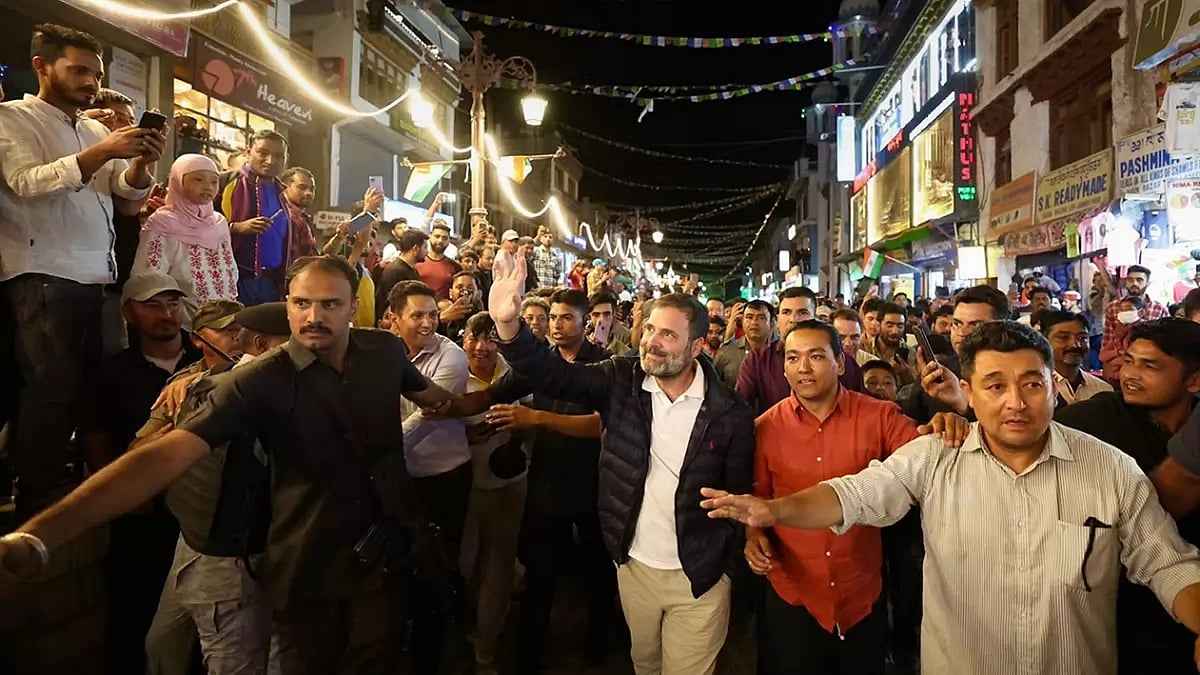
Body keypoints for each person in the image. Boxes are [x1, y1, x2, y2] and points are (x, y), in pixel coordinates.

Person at [0, 256, 459, 674]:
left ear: (351, 307)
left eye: (330, 304)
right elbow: (162, 456)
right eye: (301, 303)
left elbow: (438, 401)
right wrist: (42, 534)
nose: (313, 317)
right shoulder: (258, 381)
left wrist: (497, 397)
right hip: (306, 567)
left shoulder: (383, 352)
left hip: (386, 556)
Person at [702, 321, 1200, 675]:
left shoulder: (1111, 470)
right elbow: (855, 494)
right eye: (995, 385)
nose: (1015, 402)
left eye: (1032, 384)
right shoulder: (935, 458)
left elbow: (1168, 563)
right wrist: (772, 511)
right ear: (969, 392)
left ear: (1055, 388)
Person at [486, 252, 754, 675]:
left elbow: (741, 497)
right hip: (633, 567)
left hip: (699, 577)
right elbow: (557, 376)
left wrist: (727, 574)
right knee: (643, 664)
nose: (651, 340)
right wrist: (508, 325)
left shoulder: (731, 413)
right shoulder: (620, 379)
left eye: (668, 334)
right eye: (649, 329)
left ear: (697, 346)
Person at [0, 23, 164, 515]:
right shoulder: (12, 119)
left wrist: (138, 164)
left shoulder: (94, 128)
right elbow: (26, 182)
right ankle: (38, 501)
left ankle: (77, 486)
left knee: (89, 390)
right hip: (43, 271)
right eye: (78, 71)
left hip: (97, 274)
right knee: (51, 390)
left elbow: (127, 198)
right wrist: (103, 152)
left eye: (95, 74)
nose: (90, 83)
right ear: (41, 67)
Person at [750, 320, 928, 675]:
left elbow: (923, 461)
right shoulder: (764, 428)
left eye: (816, 356)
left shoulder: (881, 417)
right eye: (792, 358)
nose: (803, 368)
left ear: (841, 363)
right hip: (793, 590)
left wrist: (946, 420)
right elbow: (758, 497)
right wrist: (753, 537)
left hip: (861, 590)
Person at [142, 301, 290, 675]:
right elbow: (138, 455)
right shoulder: (191, 384)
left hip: (241, 552)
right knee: (163, 645)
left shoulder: (269, 387)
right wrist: (184, 433)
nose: (233, 339)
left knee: (248, 656)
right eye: (227, 331)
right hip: (198, 543)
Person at [1056, 318, 1200, 674]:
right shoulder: (1099, 416)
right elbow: (1021, 431)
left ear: (1194, 380)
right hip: (1121, 605)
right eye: (1130, 360)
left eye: (1150, 366)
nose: (1130, 374)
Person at [132, 153, 238, 324]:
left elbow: (229, 266)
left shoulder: (218, 222)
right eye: (198, 180)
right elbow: (149, 275)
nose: (208, 187)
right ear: (177, 181)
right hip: (180, 320)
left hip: (221, 320)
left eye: (214, 182)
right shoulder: (162, 222)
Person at [217, 129, 318, 305]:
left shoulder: (283, 192)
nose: (271, 161)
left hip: (273, 284)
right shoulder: (224, 182)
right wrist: (236, 228)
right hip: (235, 279)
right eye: (263, 153)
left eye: (278, 156)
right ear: (248, 152)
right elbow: (194, 223)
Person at [1038, 310, 1111, 407]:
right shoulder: (1036, 387)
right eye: (1063, 337)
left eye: (1082, 338)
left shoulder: (1102, 390)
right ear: (1045, 341)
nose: (1075, 344)